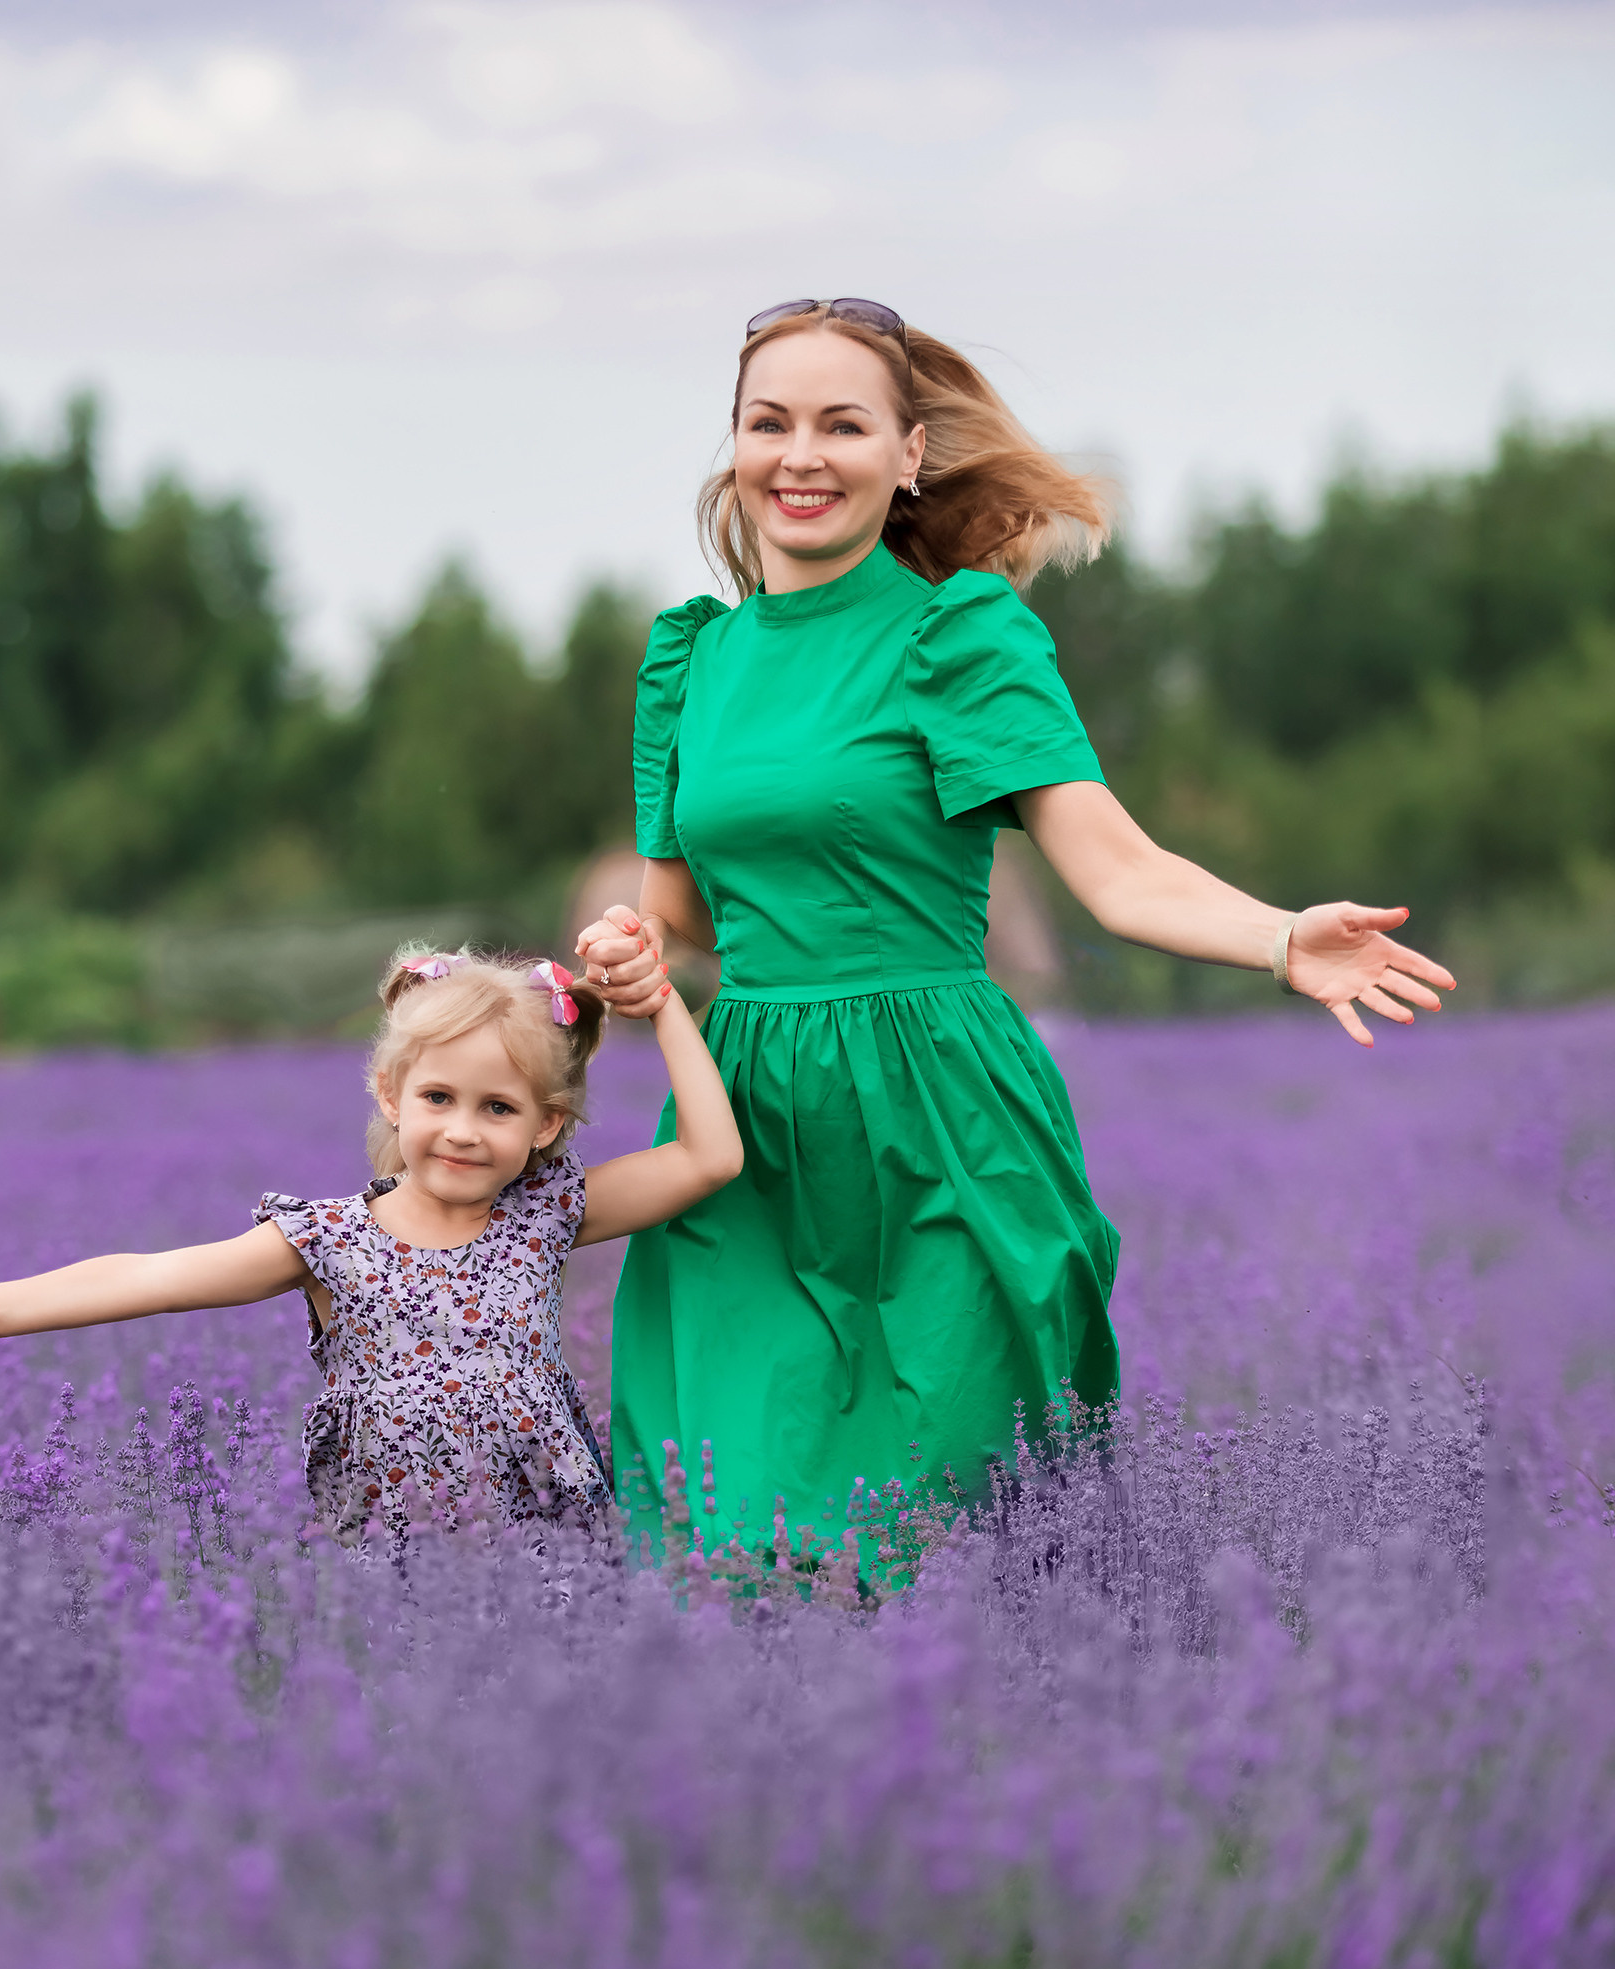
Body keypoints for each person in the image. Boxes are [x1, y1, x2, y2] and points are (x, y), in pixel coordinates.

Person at [577, 296, 1455, 1564]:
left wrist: (1278, 937)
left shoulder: (958, 637)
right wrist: (623, 962)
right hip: (740, 1130)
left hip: (936, 1115)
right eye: (768, 423)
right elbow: (673, 922)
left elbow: (1119, 872)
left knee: (955, 1528)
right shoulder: (688, 663)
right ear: (735, 447)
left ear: (907, 455)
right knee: (734, 1527)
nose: (801, 456)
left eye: (842, 424)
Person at [0, 948, 742, 1542]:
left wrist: (661, 1003)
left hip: (548, 1535)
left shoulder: (543, 1214)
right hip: (390, 1547)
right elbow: (156, 1277)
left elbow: (709, 1157)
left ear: (548, 1126)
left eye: (499, 1108)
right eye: (440, 1098)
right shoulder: (328, 1238)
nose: (464, 1131)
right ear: (393, 1096)